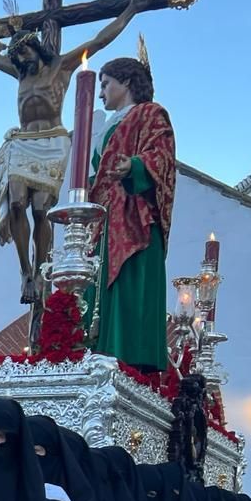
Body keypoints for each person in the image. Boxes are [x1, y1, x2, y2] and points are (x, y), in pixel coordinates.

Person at [0, 0, 150, 302]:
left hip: (53, 143)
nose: (21, 60)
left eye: (25, 54)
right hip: (23, 143)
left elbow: (99, 40)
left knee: (42, 208)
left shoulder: (62, 66)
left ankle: (42, 267)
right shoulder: (20, 74)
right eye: (16, 57)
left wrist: (130, 10)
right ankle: (26, 272)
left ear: (36, 48)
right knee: (17, 200)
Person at [86, 58, 177, 371]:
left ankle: (127, 357)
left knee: (127, 287)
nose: (101, 94)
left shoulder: (151, 113)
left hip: (134, 219)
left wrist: (135, 166)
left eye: (106, 83)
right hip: (105, 219)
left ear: (126, 82)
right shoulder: (107, 127)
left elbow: (162, 157)